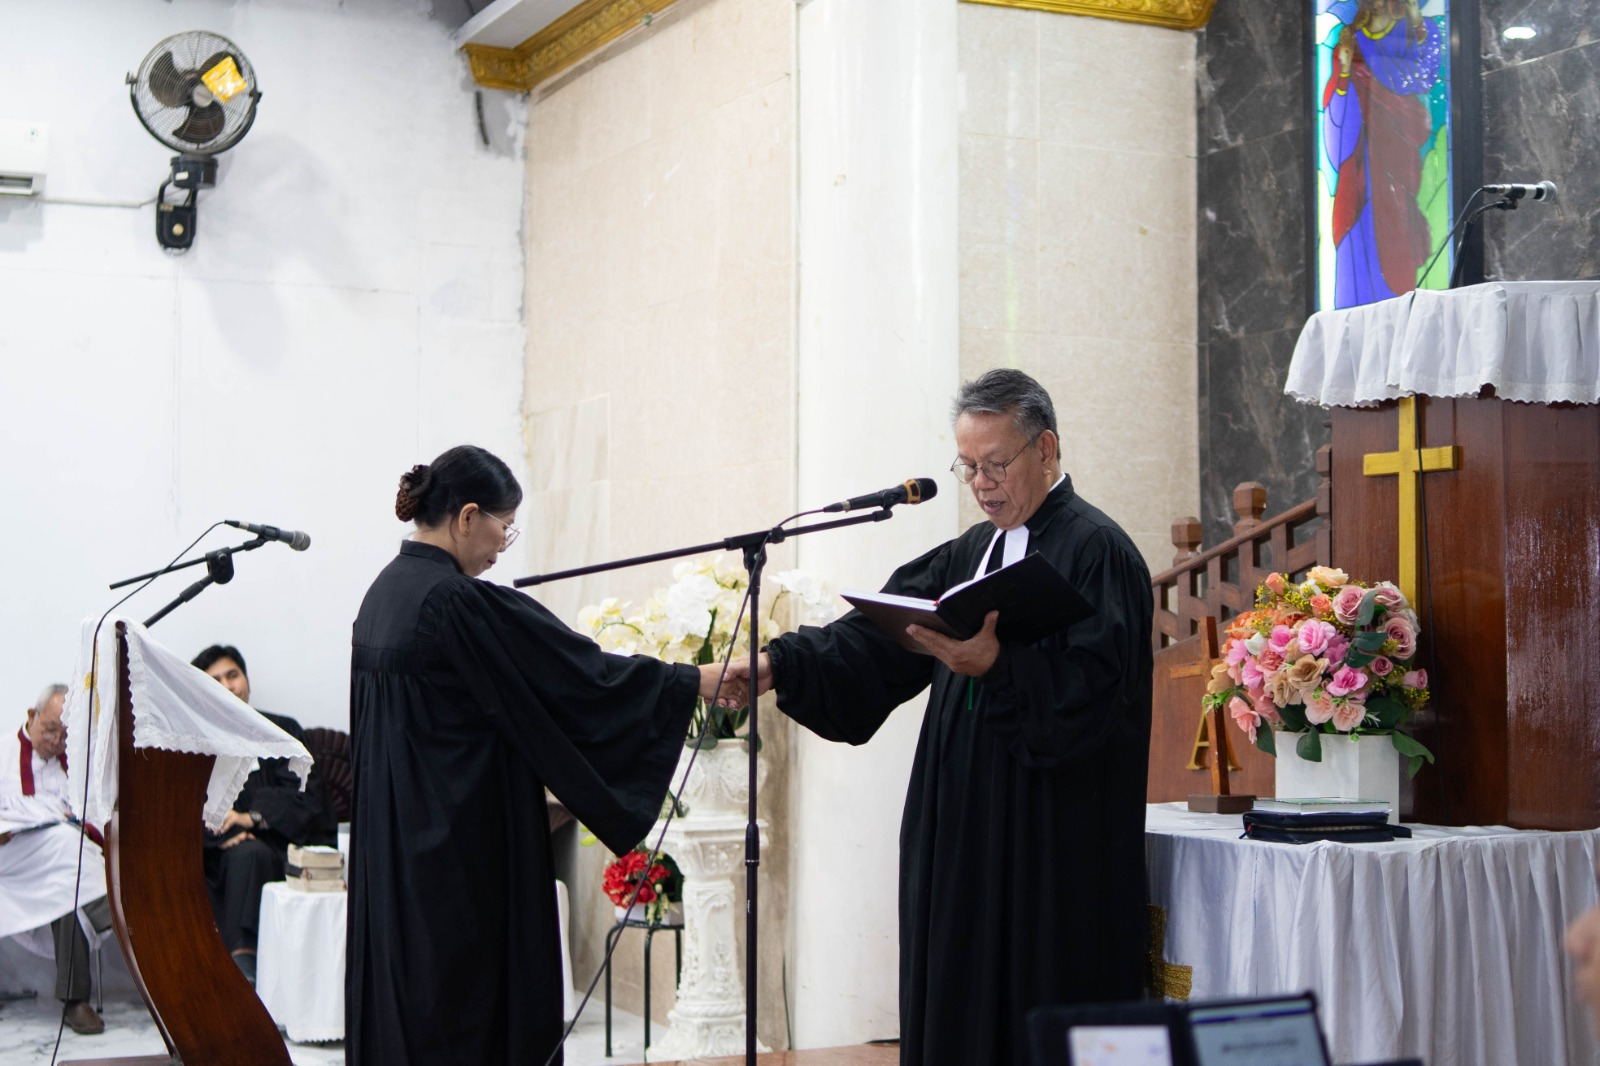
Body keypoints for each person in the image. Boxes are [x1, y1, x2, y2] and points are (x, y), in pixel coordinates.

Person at [729, 369, 1154, 1065]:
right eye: (968, 467)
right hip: (961, 835)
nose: (982, 484)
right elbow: (875, 639)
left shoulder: (1096, 551)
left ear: (1046, 449)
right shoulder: (971, 553)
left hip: (1048, 850)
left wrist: (999, 666)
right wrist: (781, 665)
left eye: (996, 464)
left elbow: (1097, 696)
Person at [347, 444, 725, 1066]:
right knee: (466, 1017)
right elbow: (577, 678)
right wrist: (692, 682)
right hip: (458, 864)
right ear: (468, 516)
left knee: (408, 1008)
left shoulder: (382, 594)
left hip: (397, 855)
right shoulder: (453, 601)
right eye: (505, 526)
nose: (503, 545)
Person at [191, 645, 338, 984]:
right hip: (217, 854)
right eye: (215, 680)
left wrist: (251, 817)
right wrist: (228, 832)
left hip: (280, 844)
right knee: (242, 855)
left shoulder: (280, 731)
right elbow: (185, 808)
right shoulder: (196, 743)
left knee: (252, 853)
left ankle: (246, 963)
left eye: (233, 675)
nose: (228, 686)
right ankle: (226, 965)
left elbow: (306, 795)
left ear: (247, 680)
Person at [0, 684, 110, 1035]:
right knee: (68, 856)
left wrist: (76, 824)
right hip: (12, 860)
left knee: (67, 874)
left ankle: (75, 1000)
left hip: (62, 861)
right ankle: (110, 912)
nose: (56, 741)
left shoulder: (78, 762)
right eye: (50, 729)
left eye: (65, 735)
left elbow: (98, 817)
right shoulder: (3, 752)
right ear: (32, 716)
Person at [1321, 0, 1443, 307]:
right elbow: (1336, 101)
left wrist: (1417, 21)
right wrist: (1345, 73)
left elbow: (1424, 78)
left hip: (1397, 150)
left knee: (1397, 222)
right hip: (1359, 152)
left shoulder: (1409, 33)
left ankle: (1403, 305)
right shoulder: (1349, 37)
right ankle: (1354, 303)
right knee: (1357, 220)